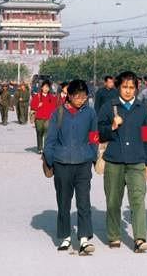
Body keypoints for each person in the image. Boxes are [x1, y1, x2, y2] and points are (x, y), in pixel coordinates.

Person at [98, 71, 147, 253]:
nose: (128, 91)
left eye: (132, 87)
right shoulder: (108, 108)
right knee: (113, 200)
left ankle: (139, 238)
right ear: (118, 87)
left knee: (138, 199)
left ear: (137, 89)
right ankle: (114, 235)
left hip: (137, 162)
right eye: (124, 87)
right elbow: (97, 135)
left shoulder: (142, 109)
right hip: (114, 161)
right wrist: (112, 126)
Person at [43, 79, 99, 256]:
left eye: (84, 97)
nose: (81, 100)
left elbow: (94, 137)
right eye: (77, 96)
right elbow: (50, 139)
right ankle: (65, 236)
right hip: (62, 164)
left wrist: (92, 154)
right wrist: (51, 159)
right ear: (69, 95)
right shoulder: (58, 113)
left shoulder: (90, 113)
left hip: (83, 164)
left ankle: (84, 239)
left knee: (84, 202)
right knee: (63, 202)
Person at [30, 80, 58, 155]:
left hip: (48, 118)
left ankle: (46, 148)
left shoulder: (52, 97)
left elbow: (55, 108)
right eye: (44, 87)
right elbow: (32, 106)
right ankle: (40, 148)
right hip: (39, 118)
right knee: (39, 132)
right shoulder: (37, 96)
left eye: (47, 87)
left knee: (47, 133)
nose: (46, 88)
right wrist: (37, 105)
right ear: (42, 88)